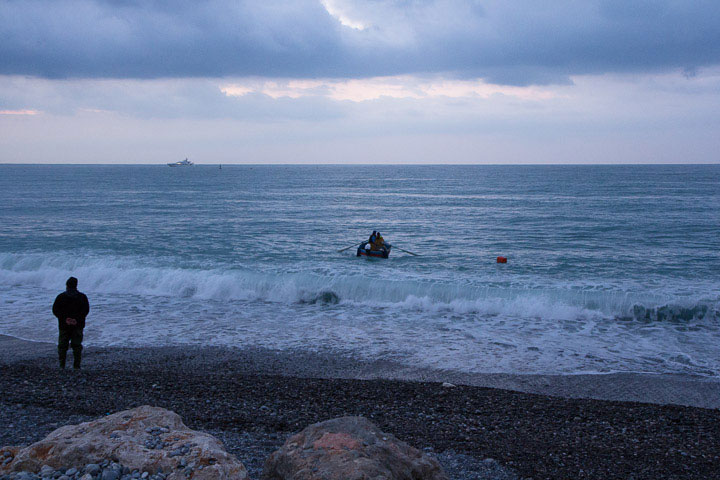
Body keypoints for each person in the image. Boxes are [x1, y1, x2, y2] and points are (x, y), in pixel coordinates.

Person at [52, 277, 90, 370]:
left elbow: (55, 310)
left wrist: (65, 319)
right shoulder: (82, 297)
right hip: (78, 325)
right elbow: (85, 310)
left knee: (62, 346)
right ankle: (76, 366)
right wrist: (76, 319)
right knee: (77, 346)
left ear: (66, 285)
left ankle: (62, 365)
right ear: (76, 285)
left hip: (64, 325)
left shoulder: (61, 297)